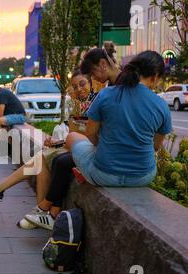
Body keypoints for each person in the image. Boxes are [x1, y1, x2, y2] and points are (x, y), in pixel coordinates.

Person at [25, 50, 173, 230]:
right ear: (156, 76)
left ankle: (47, 209)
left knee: (72, 137)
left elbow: (91, 135)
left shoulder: (106, 95)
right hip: (142, 176)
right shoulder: (161, 105)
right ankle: (49, 209)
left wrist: (103, 147)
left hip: (103, 174)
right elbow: (156, 146)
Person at [0, 70, 98, 223]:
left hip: (89, 151)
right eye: (75, 87)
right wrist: (57, 142)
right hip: (79, 146)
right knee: (41, 159)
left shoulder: (96, 103)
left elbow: (91, 136)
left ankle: (8, 194)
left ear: (92, 83)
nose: (79, 89)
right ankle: (36, 211)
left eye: (82, 84)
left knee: (42, 159)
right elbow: (76, 132)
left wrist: (62, 142)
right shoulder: (80, 104)